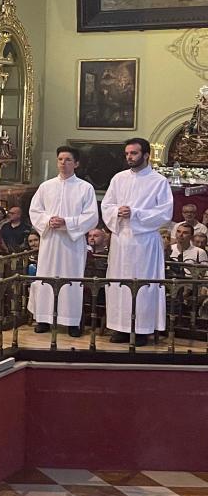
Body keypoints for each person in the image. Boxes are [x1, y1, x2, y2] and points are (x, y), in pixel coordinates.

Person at [102, 137, 174, 343]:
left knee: (143, 284)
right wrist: (117, 211)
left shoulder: (158, 181)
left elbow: (164, 213)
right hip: (121, 240)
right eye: (127, 154)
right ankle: (120, 327)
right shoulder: (118, 178)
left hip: (145, 242)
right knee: (119, 283)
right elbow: (107, 206)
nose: (129, 157)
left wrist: (135, 213)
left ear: (146, 155)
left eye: (133, 153)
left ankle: (142, 328)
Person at [28, 146, 98, 335]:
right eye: (60, 159)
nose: (63, 163)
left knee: (71, 280)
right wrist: (47, 221)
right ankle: (43, 318)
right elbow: (35, 210)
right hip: (50, 241)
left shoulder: (85, 188)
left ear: (76, 163)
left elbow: (91, 216)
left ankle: (72, 321)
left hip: (72, 243)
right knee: (46, 278)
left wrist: (67, 223)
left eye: (67, 160)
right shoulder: (46, 186)